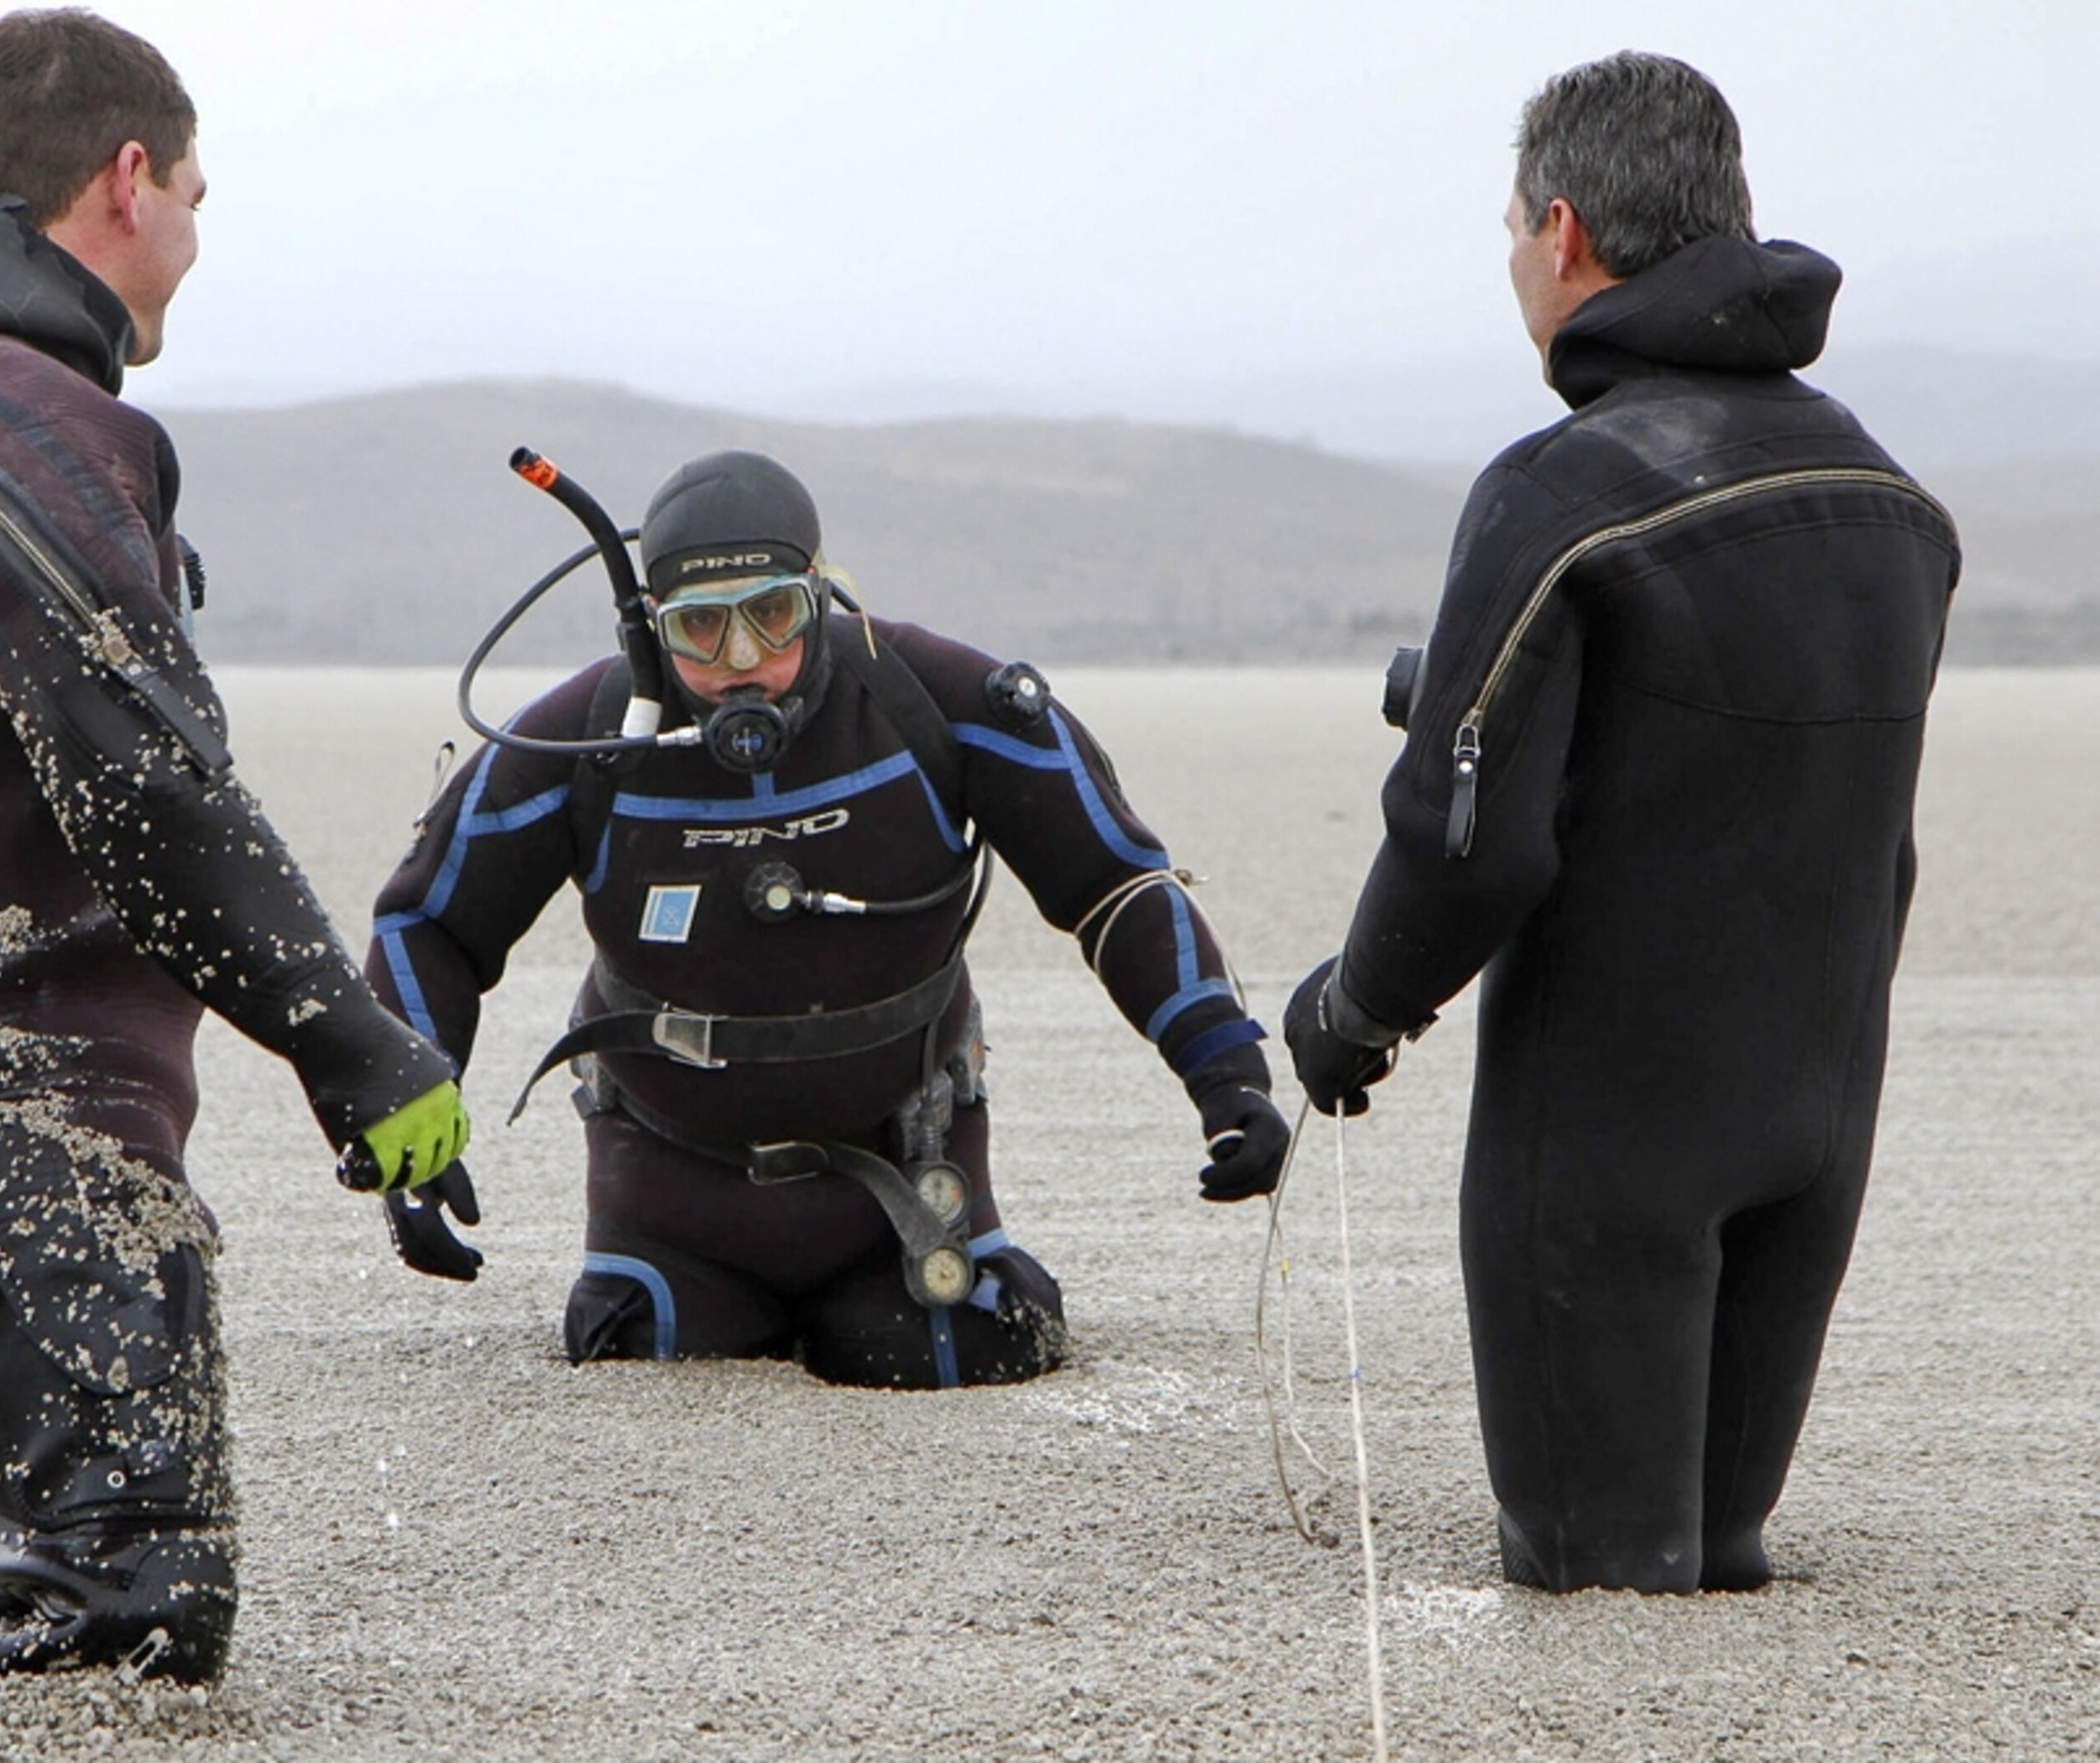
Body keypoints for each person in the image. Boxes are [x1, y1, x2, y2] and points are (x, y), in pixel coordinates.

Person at [0, 9, 468, 1684]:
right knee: (127, 1644)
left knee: (0, 1628)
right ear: (126, 180)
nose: (196, 243)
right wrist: (352, 1043)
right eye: (197, 196)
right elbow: (143, 777)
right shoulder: (22, 416)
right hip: (44, 1154)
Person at [1283, 52, 1959, 1593]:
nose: (1512, 263)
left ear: (1566, 233)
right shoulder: (1887, 494)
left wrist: (1354, 1010)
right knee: (1714, 1554)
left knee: (1594, 1571)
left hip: (1606, 1133)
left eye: (1511, 230)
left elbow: (1472, 841)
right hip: (1819, 1103)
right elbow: (1777, 783)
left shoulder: (1557, 493)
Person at [363, 447, 1290, 1390]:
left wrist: (1228, 1077)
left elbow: (1117, 884)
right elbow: (428, 925)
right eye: (701, 630)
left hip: (906, 1177)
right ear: (649, 626)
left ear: (821, 594)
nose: (741, 666)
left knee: (976, 1344)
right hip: (671, 1207)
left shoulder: (936, 701)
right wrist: (400, 1127)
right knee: (641, 1355)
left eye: (772, 617)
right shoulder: (580, 742)